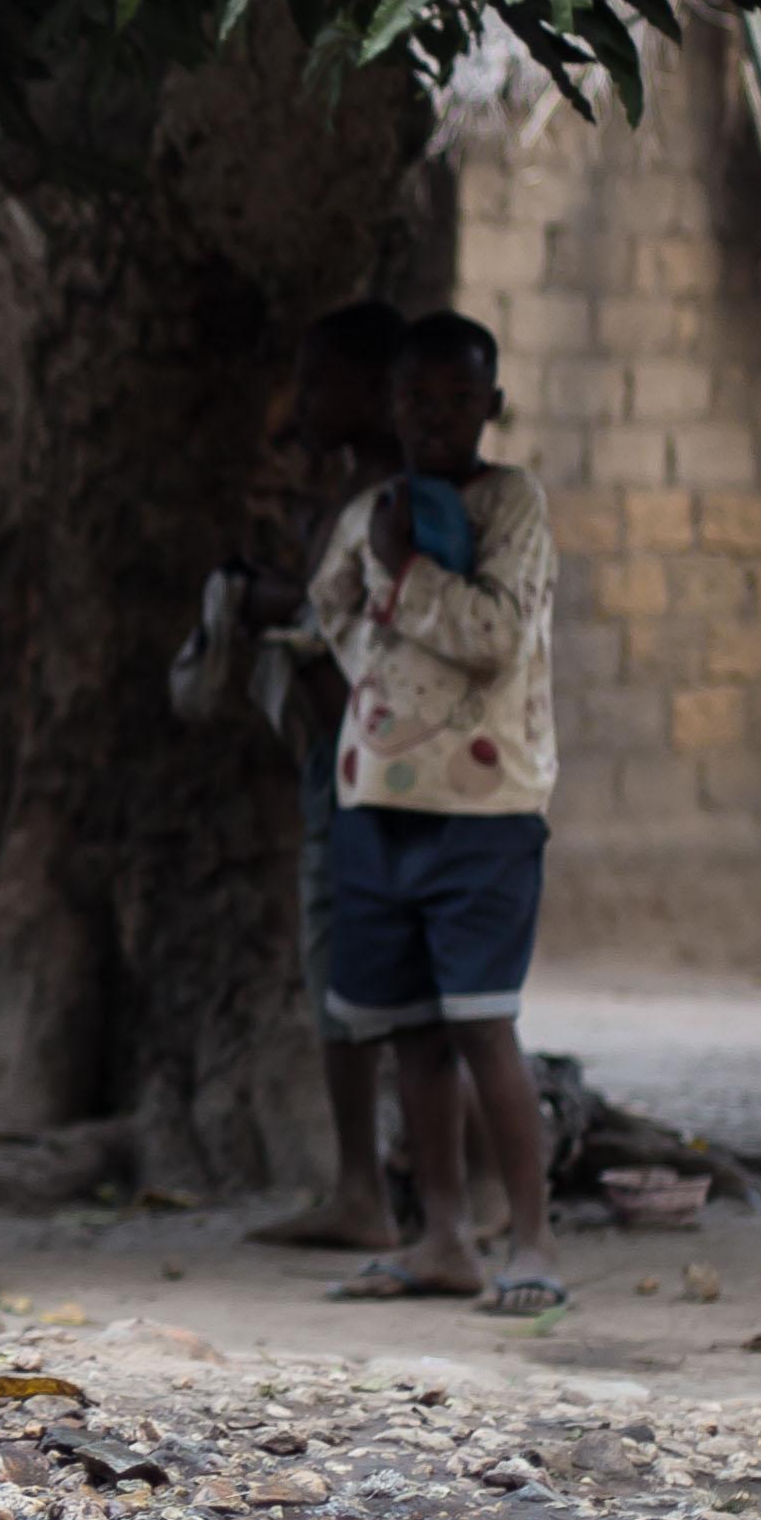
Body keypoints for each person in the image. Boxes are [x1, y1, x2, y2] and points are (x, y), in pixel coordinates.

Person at [310, 312, 564, 1316]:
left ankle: (533, 1239)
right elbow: (329, 602)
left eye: (459, 399)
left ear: (491, 405)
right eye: (417, 398)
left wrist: (407, 573)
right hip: (375, 800)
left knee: (482, 1025)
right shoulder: (372, 510)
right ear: (392, 404)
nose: (436, 416)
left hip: (485, 808)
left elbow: (497, 632)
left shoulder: (513, 505)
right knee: (410, 1030)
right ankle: (443, 1236)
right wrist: (380, 674)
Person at [202, 303, 441, 1255]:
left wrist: (267, 604)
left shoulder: (394, 501)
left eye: (318, 380)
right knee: (358, 978)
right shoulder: (356, 492)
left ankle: (390, 1191)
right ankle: (373, 1187)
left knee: (390, 984)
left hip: (372, 766)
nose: (301, 402)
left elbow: (352, 629)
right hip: (348, 761)